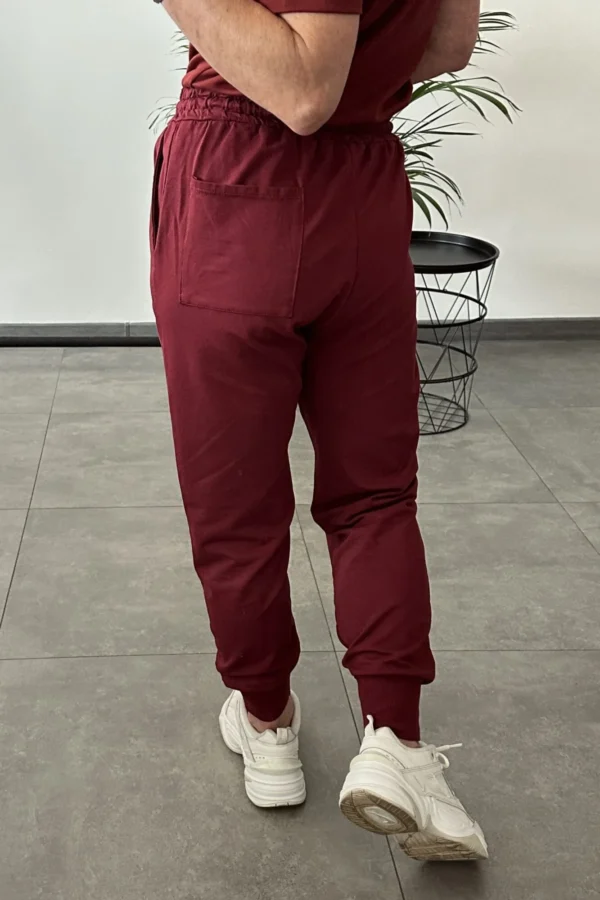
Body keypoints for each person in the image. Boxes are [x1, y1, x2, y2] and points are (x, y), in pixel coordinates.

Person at [150, 0, 487, 862]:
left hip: (240, 184)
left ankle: (267, 722)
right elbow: (451, 43)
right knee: (375, 494)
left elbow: (303, 90)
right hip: (362, 186)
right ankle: (397, 740)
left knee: (235, 498)